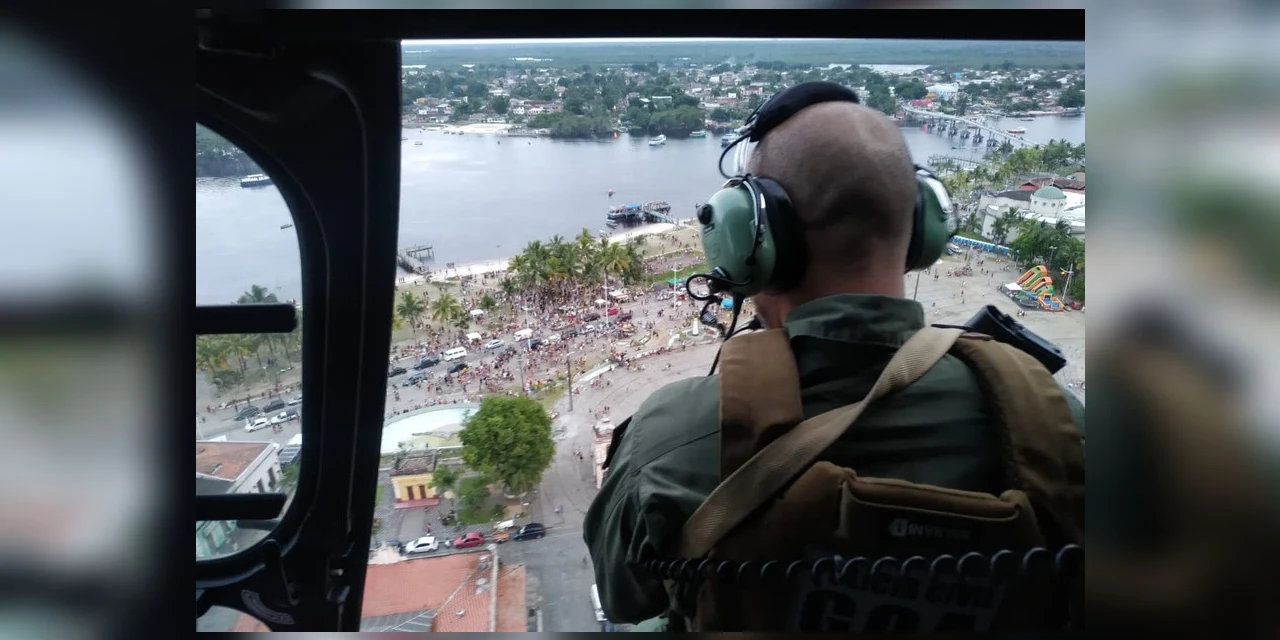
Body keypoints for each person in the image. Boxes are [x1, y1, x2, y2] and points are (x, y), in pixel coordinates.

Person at [584, 98, 1085, 629]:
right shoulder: (1054, 424)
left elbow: (622, 597)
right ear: (922, 232)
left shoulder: (670, 440)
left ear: (748, 236)